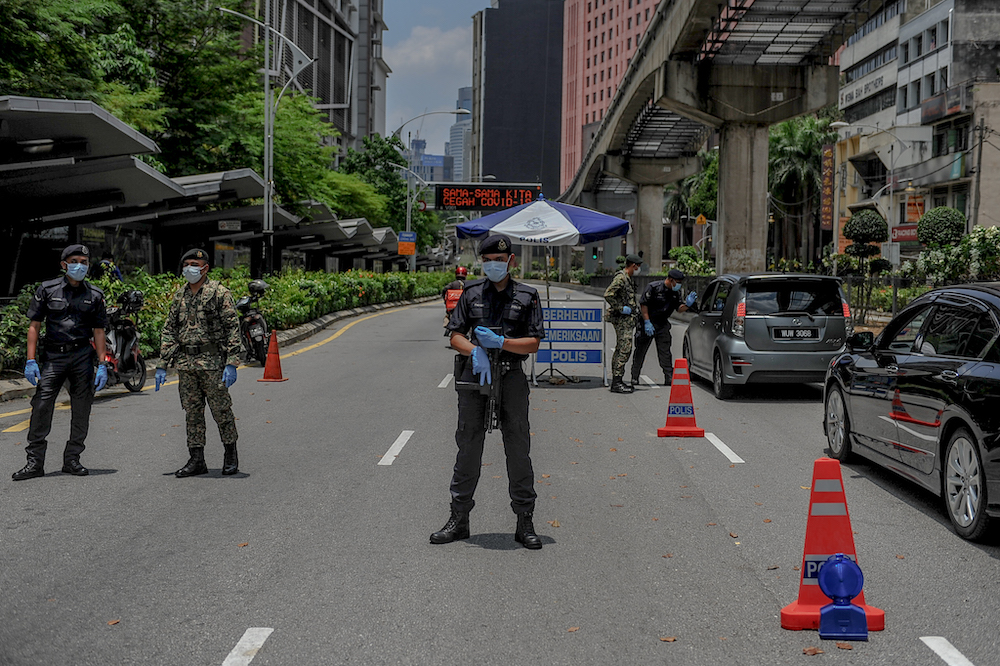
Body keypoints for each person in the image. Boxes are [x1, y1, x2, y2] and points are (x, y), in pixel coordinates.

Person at [432, 234, 546, 550]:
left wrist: (502, 344)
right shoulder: (470, 294)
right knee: (468, 446)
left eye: (500, 260)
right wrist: (475, 351)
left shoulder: (527, 295)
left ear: (510, 261)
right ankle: (459, 519)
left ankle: (525, 521)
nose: (494, 264)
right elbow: (454, 334)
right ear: (482, 262)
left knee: (518, 448)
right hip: (476, 375)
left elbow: (534, 342)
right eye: (489, 260)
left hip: (511, 377)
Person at [13, 244, 109, 480]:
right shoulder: (47, 289)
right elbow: (34, 326)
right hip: (54, 358)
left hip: (82, 357)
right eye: (75, 260)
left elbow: (99, 331)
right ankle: (34, 463)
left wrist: (103, 363)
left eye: (85, 262)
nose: (80, 265)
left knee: (81, 409)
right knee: (42, 406)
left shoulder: (95, 295)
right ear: (64, 264)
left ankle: (73, 459)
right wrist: (30, 361)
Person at [154, 248, 242, 478]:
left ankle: (230, 454)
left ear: (205, 268)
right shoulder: (179, 295)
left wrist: (232, 362)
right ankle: (196, 459)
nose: (189, 268)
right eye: (186, 264)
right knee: (192, 413)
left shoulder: (219, 293)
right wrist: (162, 363)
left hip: (212, 363)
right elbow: (170, 329)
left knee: (221, 411)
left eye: (194, 264)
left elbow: (232, 327)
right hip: (186, 364)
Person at [631, 268, 698, 386]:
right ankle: (634, 377)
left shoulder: (675, 292)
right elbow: (643, 305)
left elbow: (679, 309)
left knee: (665, 353)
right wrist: (647, 322)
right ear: (671, 280)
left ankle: (669, 377)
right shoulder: (653, 287)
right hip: (647, 322)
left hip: (662, 324)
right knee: (640, 351)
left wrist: (687, 305)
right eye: (677, 282)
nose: (679, 285)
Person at [603, 253, 643, 394]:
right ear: (633, 265)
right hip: (621, 320)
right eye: (638, 266)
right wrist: (620, 308)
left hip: (626, 320)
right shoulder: (621, 278)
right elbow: (608, 294)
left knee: (621, 348)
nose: (638, 269)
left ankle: (617, 380)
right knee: (625, 349)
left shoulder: (628, 278)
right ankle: (617, 382)